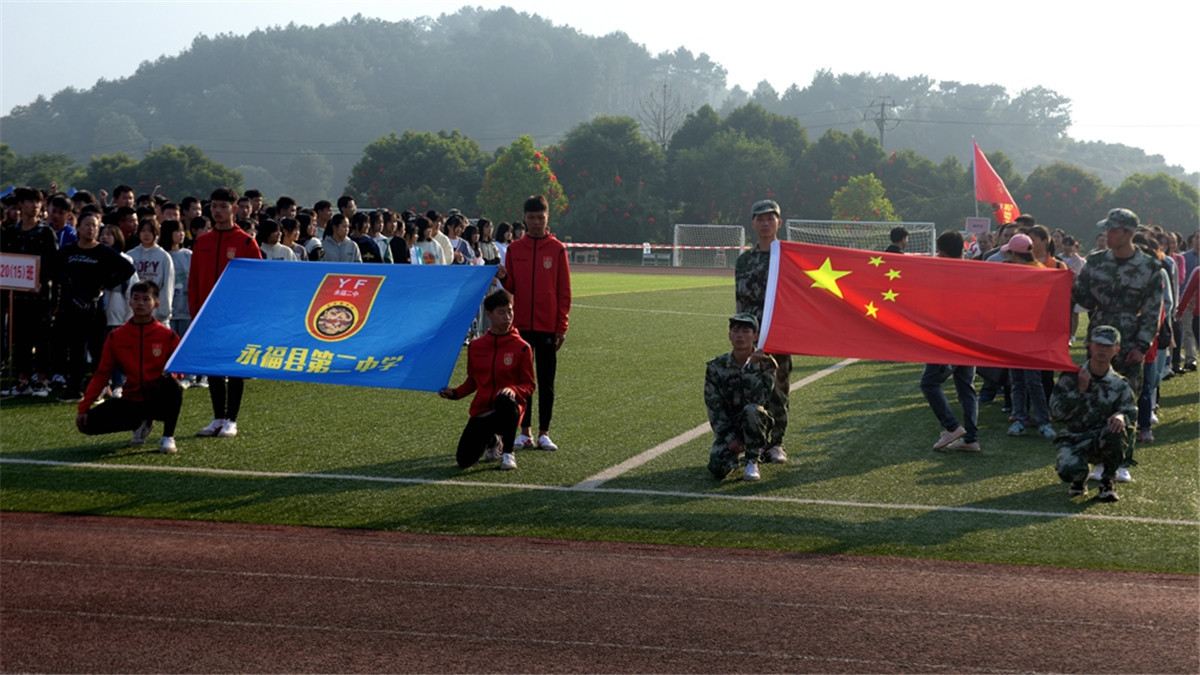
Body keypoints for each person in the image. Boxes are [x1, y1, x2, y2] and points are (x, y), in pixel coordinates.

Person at [1072, 208, 1164, 483]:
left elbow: (1152, 311)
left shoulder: (1149, 267)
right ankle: (1099, 459)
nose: (1107, 235)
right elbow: (1085, 300)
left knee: (1126, 400)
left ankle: (1122, 460)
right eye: (1107, 229)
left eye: (1114, 230)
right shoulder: (1096, 261)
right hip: (1099, 332)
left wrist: (1141, 345)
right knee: (1095, 396)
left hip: (1130, 337)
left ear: (1129, 234)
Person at [188, 187, 263, 438]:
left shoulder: (245, 242)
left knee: (235, 367)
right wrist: (195, 314)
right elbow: (194, 281)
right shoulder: (202, 242)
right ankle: (217, 418)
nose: (217, 211)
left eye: (223, 206)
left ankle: (232, 420)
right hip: (208, 317)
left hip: (236, 317)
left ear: (234, 209)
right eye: (214, 206)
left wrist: (250, 316)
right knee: (214, 367)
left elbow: (257, 283)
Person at [75, 280, 183, 454]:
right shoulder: (116, 336)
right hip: (131, 399)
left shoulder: (167, 336)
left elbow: (180, 367)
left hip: (158, 398)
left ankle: (167, 437)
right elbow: (102, 374)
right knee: (86, 424)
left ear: (156, 303)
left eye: (146, 299)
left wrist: (173, 376)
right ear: (130, 302)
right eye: (136, 298)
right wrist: (84, 407)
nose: (140, 303)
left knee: (174, 387)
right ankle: (140, 423)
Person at [498, 194, 571, 452]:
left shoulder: (558, 249)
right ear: (524, 219)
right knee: (522, 382)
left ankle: (544, 433)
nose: (536, 222)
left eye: (541, 217)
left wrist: (561, 326)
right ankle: (524, 432)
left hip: (548, 327)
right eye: (531, 218)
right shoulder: (515, 249)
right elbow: (511, 288)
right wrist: (504, 278)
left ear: (547, 217)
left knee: (546, 381)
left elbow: (564, 292)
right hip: (521, 327)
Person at [438, 289, 536, 471]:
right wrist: (455, 393)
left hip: (508, 410)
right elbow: (473, 381)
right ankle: (492, 440)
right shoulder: (476, 346)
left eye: (510, 311)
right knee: (464, 461)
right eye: (502, 312)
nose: (507, 317)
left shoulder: (522, 348)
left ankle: (508, 453)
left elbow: (529, 385)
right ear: (489, 314)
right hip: (482, 410)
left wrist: (514, 390)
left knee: (504, 398)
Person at [52, 209, 135, 402]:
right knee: (75, 350)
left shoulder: (103, 252)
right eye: (87, 225)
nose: (91, 229)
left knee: (97, 350)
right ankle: (74, 389)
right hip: (72, 308)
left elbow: (128, 270)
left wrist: (105, 283)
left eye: (95, 226)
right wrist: (67, 285)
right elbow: (53, 269)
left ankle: (100, 387)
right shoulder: (69, 250)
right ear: (78, 227)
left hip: (94, 308)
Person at [1048, 325, 1136, 503]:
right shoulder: (1071, 377)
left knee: (1117, 430)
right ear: (1090, 346)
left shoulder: (1120, 384)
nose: (1102, 350)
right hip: (1076, 437)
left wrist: (1120, 416)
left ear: (1116, 349)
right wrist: (1080, 391)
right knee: (1067, 470)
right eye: (1098, 345)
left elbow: (1130, 411)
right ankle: (1079, 478)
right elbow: (1056, 412)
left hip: (1103, 438)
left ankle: (1107, 481)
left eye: (1108, 346)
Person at [733, 199, 790, 464]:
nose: (766, 223)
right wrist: (741, 333)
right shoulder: (745, 260)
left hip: (779, 328)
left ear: (779, 222)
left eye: (771, 218)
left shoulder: (788, 257)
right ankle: (752, 443)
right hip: (752, 329)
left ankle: (776, 444)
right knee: (748, 387)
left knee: (778, 388)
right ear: (753, 223)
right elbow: (740, 300)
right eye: (760, 218)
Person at [921, 231, 980, 452]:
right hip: (971, 338)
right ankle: (971, 439)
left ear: (943, 253)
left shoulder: (945, 275)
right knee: (966, 388)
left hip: (950, 340)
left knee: (929, 383)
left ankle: (952, 427)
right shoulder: (975, 271)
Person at [705, 312, 777, 481]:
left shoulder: (766, 364)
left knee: (752, 410)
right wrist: (730, 439)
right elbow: (714, 407)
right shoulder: (716, 366)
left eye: (746, 331)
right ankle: (736, 456)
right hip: (730, 425)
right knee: (717, 469)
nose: (740, 335)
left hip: (756, 421)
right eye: (736, 330)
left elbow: (759, 399)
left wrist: (751, 367)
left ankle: (753, 460)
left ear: (755, 336)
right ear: (729, 335)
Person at [1, 187, 58, 397]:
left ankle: (42, 382)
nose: (34, 206)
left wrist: (43, 284)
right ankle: (22, 380)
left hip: (40, 296)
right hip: (17, 296)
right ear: (20, 205)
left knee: (42, 340)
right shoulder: (11, 233)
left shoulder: (45, 232)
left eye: (37, 202)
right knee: (20, 339)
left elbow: (54, 265)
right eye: (30, 202)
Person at [127, 217, 174, 325]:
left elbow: (167, 286)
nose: (146, 234)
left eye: (150, 231)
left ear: (156, 233)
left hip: (158, 315)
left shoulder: (164, 256)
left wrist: (163, 312)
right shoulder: (130, 255)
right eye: (143, 231)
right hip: (134, 313)